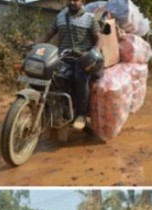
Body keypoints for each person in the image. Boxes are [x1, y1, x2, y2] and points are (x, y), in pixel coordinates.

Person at [36, 0, 102, 130]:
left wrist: (94, 52)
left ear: (82, 1)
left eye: (75, 0)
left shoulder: (90, 18)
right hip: (63, 57)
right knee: (47, 74)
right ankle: (49, 110)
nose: (72, 2)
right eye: (69, 0)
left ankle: (81, 114)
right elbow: (48, 35)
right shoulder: (60, 16)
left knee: (80, 77)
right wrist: (34, 43)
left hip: (82, 59)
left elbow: (98, 38)